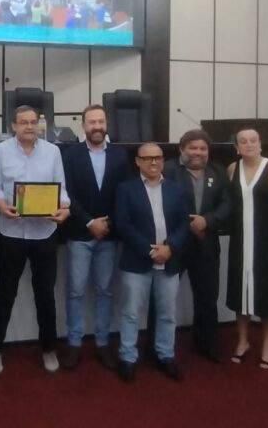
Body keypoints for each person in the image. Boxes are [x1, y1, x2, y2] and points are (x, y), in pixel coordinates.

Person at [0, 105, 71, 374]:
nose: (29, 126)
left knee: (45, 294)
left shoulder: (52, 151)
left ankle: (49, 348)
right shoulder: (0, 151)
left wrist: (65, 209)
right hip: (11, 231)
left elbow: (62, 190)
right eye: (23, 122)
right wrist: (1, 205)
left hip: (44, 232)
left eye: (33, 122)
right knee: (5, 292)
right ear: (13, 125)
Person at [60, 105, 131, 370]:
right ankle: (74, 343)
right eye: (92, 122)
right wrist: (89, 222)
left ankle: (102, 343)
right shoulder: (70, 154)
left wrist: (107, 222)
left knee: (105, 291)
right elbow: (66, 193)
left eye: (101, 121)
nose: (97, 126)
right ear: (83, 125)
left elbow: (125, 193)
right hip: (80, 233)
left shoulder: (120, 155)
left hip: (109, 235)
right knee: (75, 291)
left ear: (106, 123)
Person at [112, 143, 189, 383]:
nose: (154, 162)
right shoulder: (126, 189)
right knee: (130, 313)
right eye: (148, 158)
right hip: (137, 261)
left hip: (168, 260)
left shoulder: (176, 189)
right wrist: (149, 250)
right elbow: (123, 224)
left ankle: (165, 355)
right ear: (137, 161)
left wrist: (170, 248)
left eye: (158, 157)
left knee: (167, 314)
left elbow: (183, 223)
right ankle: (127, 357)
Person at [226, 127, 268, 370]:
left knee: (267, 296)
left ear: (260, 144)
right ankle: (242, 341)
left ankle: (267, 344)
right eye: (243, 141)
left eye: (253, 140)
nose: (249, 144)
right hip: (240, 244)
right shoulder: (232, 169)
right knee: (240, 295)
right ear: (236, 147)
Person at [163, 129, 231, 363]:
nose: (198, 153)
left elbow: (227, 204)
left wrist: (207, 221)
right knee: (163, 300)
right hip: (175, 244)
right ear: (182, 149)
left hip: (206, 244)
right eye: (192, 148)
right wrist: (188, 223)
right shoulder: (168, 170)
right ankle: (159, 347)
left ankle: (206, 343)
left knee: (207, 299)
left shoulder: (218, 172)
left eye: (203, 148)